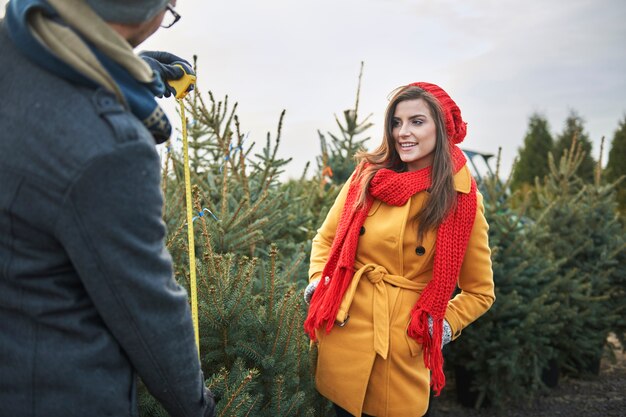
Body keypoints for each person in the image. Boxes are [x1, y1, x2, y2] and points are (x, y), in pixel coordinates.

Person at [0, 0, 215, 416]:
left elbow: (60, 76)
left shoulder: (15, 39)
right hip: (56, 392)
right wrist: (196, 405)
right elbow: (149, 309)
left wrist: (137, 75)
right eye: (169, 9)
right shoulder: (113, 150)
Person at [304, 82, 495, 417]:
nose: (403, 132)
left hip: (401, 345)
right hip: (345, 331)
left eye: (417, 122)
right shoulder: (367, 177)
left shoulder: (461, 199)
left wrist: (439, 324)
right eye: (396, 122)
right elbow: (326, 240)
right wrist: (321, 282)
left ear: (442, 128)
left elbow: (480, 292)